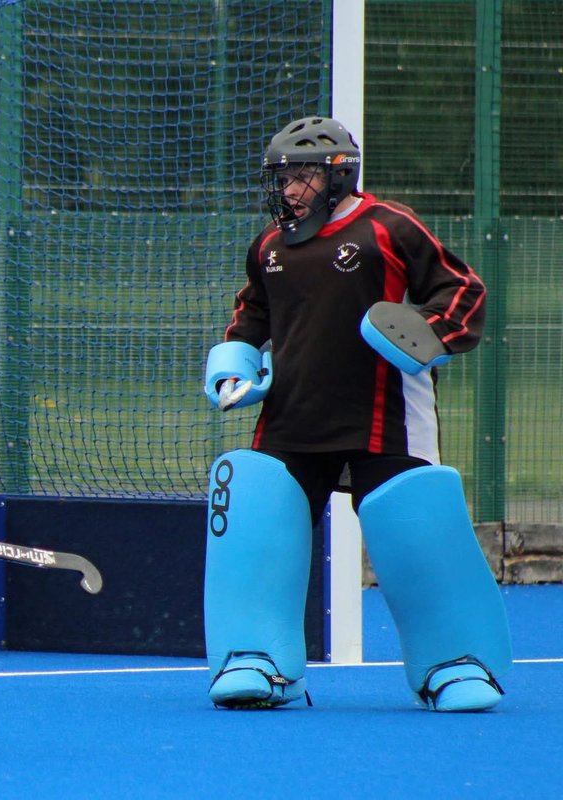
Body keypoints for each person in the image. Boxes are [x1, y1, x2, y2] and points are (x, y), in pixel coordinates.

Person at [201, 116, 511, 712]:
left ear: (340, 175)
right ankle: (258, 659)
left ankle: (454, 662)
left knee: (415, 524)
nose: (290, 190)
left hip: (386, 418)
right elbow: (251, 315)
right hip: (291, 419)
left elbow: (462, 291)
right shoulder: (270, 246)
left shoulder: (389, 227)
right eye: (283, 178)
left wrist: (428, 335)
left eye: (304, 177)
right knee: (256, 510)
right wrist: (233, 365)